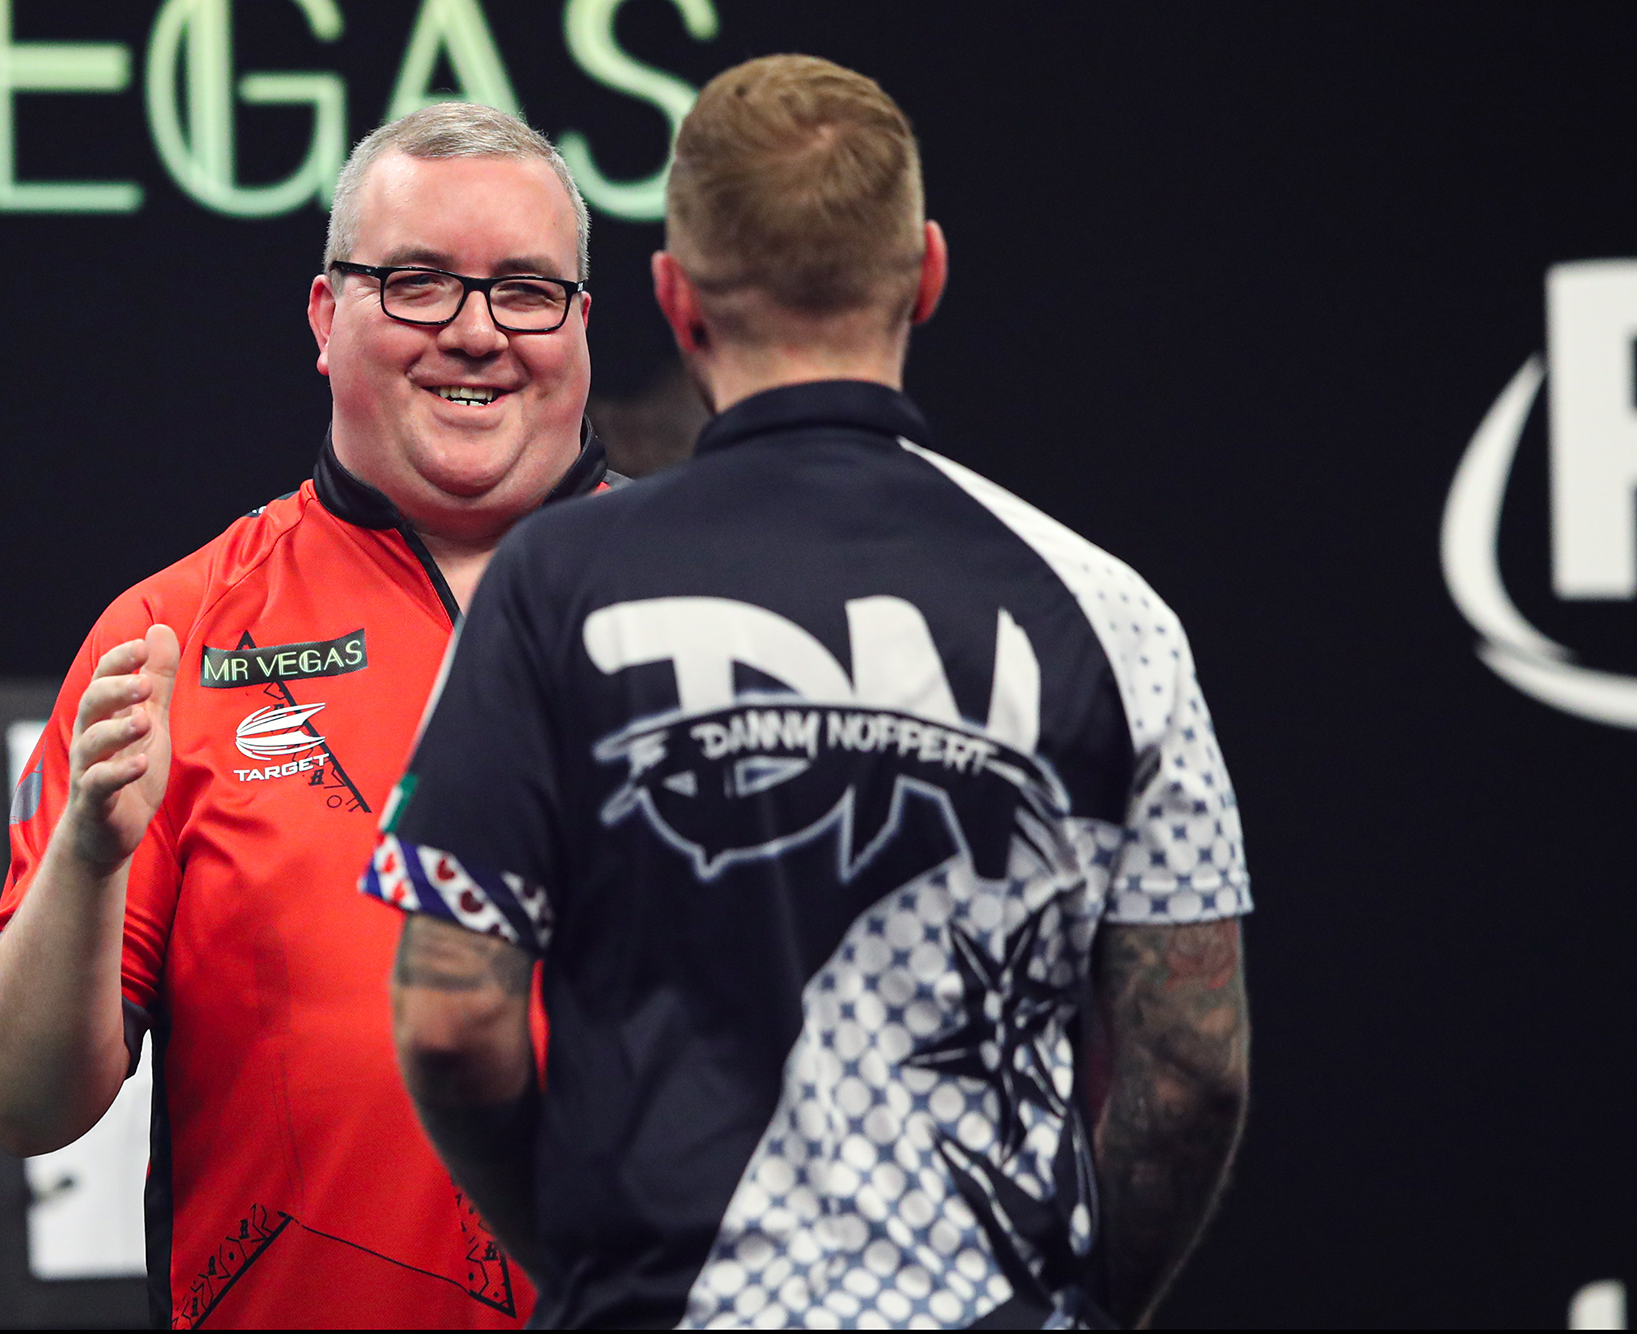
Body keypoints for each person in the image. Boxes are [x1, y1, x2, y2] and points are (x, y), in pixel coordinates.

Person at [365, 56, 1251, 1329]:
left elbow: (451, 1017)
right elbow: (1191, 1070)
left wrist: (589, 1274)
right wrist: (1078, 1304)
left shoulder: (553, 583)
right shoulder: (1112, 614)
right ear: (925, 274)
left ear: (674, 298)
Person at [0, 102, 609, 1329]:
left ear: (581, 322)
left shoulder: (718, 611)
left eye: (526, 291)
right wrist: (89, 854)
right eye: (417, 283)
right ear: (324, 313)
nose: (476, 332)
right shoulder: (173, 631)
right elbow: (22, 1102)